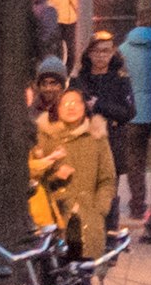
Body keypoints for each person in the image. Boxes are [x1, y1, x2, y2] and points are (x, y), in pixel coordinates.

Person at [29, 83, 114, 258]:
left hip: (87, 217)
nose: (71, 107)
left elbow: (107, 179)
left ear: (85, 107)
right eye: (65, 103)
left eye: (76, 102)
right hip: (54, 216)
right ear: (56, 108)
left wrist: (99, 209)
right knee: (53, 274)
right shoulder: (45, 136)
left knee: (82, 274)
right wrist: (54, 177)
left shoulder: (96, 138)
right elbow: (33, 175)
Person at [72, 30, 141, 221]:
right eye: (97, 51)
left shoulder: (120, 81)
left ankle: (109, 232)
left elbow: (128, 112)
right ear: (89, 54)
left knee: (108, 192)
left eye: (107, 51)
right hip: (84, 145)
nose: (102, 56)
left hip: (112, 144)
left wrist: (99, 106)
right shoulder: (79, 81)